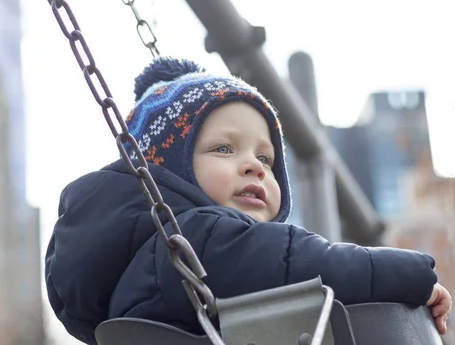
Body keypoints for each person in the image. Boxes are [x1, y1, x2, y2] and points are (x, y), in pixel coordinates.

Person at [45, 57, 451, 344]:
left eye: (266, 158)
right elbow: (298, 260)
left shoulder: (154, 260)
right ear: (162, 172)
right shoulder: (193, 242)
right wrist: (411, 275)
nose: (255, 167)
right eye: (224, 149)